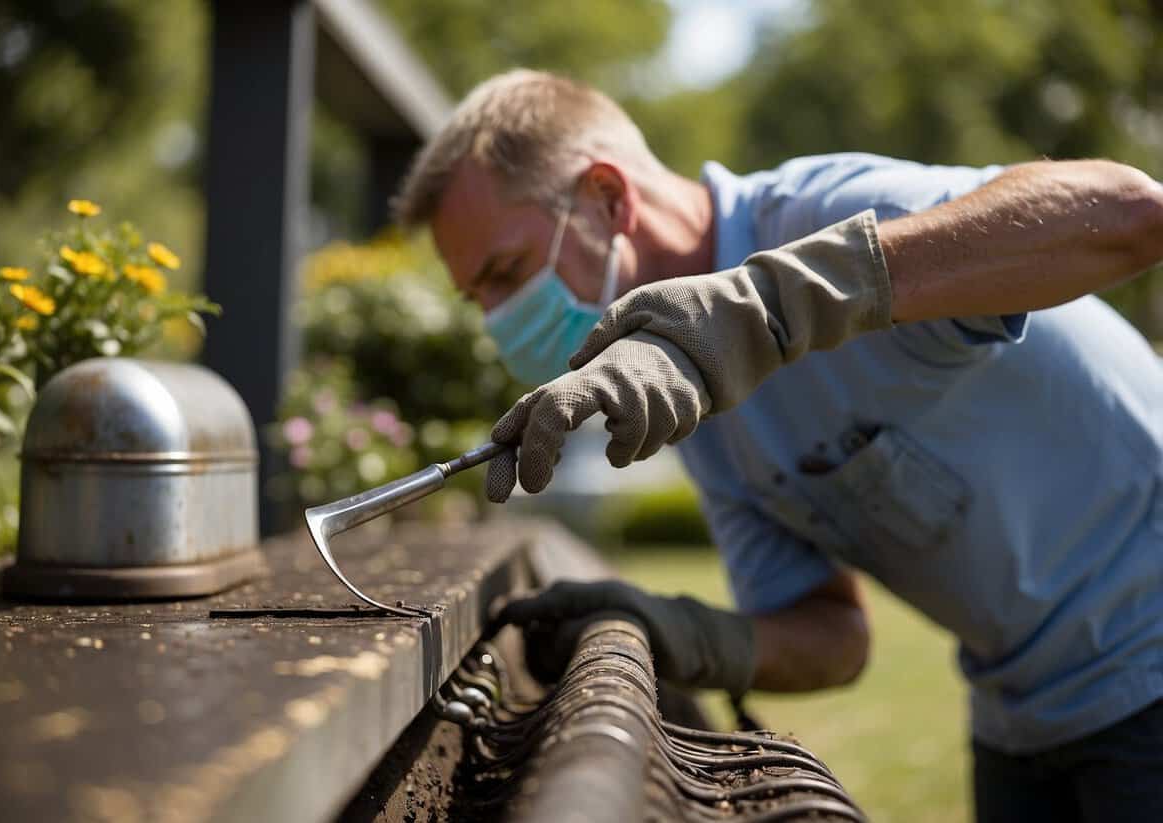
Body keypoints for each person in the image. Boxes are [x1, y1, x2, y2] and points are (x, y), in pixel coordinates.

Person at [392, 69, 1163, 822]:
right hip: (1021, 712)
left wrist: (766, 307)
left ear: (609, 197)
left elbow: (1130, 212)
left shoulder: (825, 213)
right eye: (478, 297)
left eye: (506, 271)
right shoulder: (698, 406)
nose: (496, 320)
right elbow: (834, 635)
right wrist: (684, 633)